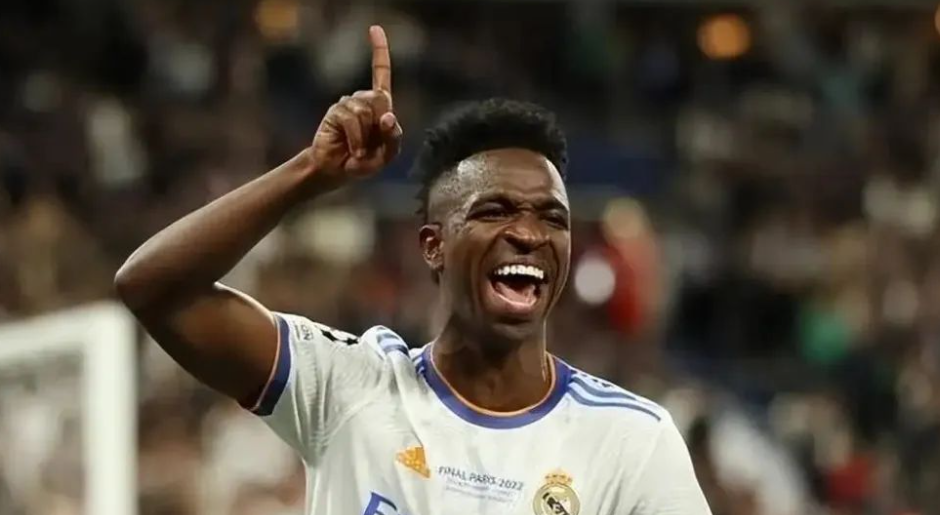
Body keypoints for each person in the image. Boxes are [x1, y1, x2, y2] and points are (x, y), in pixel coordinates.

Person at [115, 25, 711, 515]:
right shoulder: (349, 388)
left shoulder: (632, 441)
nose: (529, 235)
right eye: (495, 211)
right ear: (433, 246)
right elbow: (153, 288)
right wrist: (311, 173)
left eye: (552, 218)